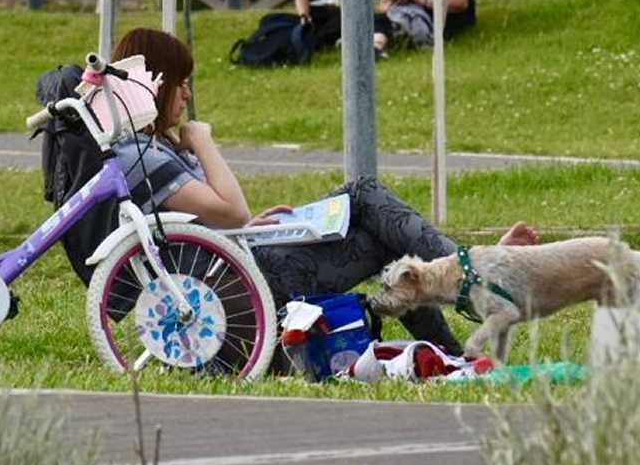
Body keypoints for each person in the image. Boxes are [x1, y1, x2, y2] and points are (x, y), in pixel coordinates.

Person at [106, 28, 537, 355]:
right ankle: (471, 273)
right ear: (156, 85)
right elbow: (232, 211)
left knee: (379, 229)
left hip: (238, 262)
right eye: (181, 82)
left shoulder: (152, 148)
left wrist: (251, 227)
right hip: (233, 288)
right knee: (366, 198)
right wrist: (202, 141)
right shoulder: (139, 154)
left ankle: (453, 345)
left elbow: (222, 221)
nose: (187, 93)